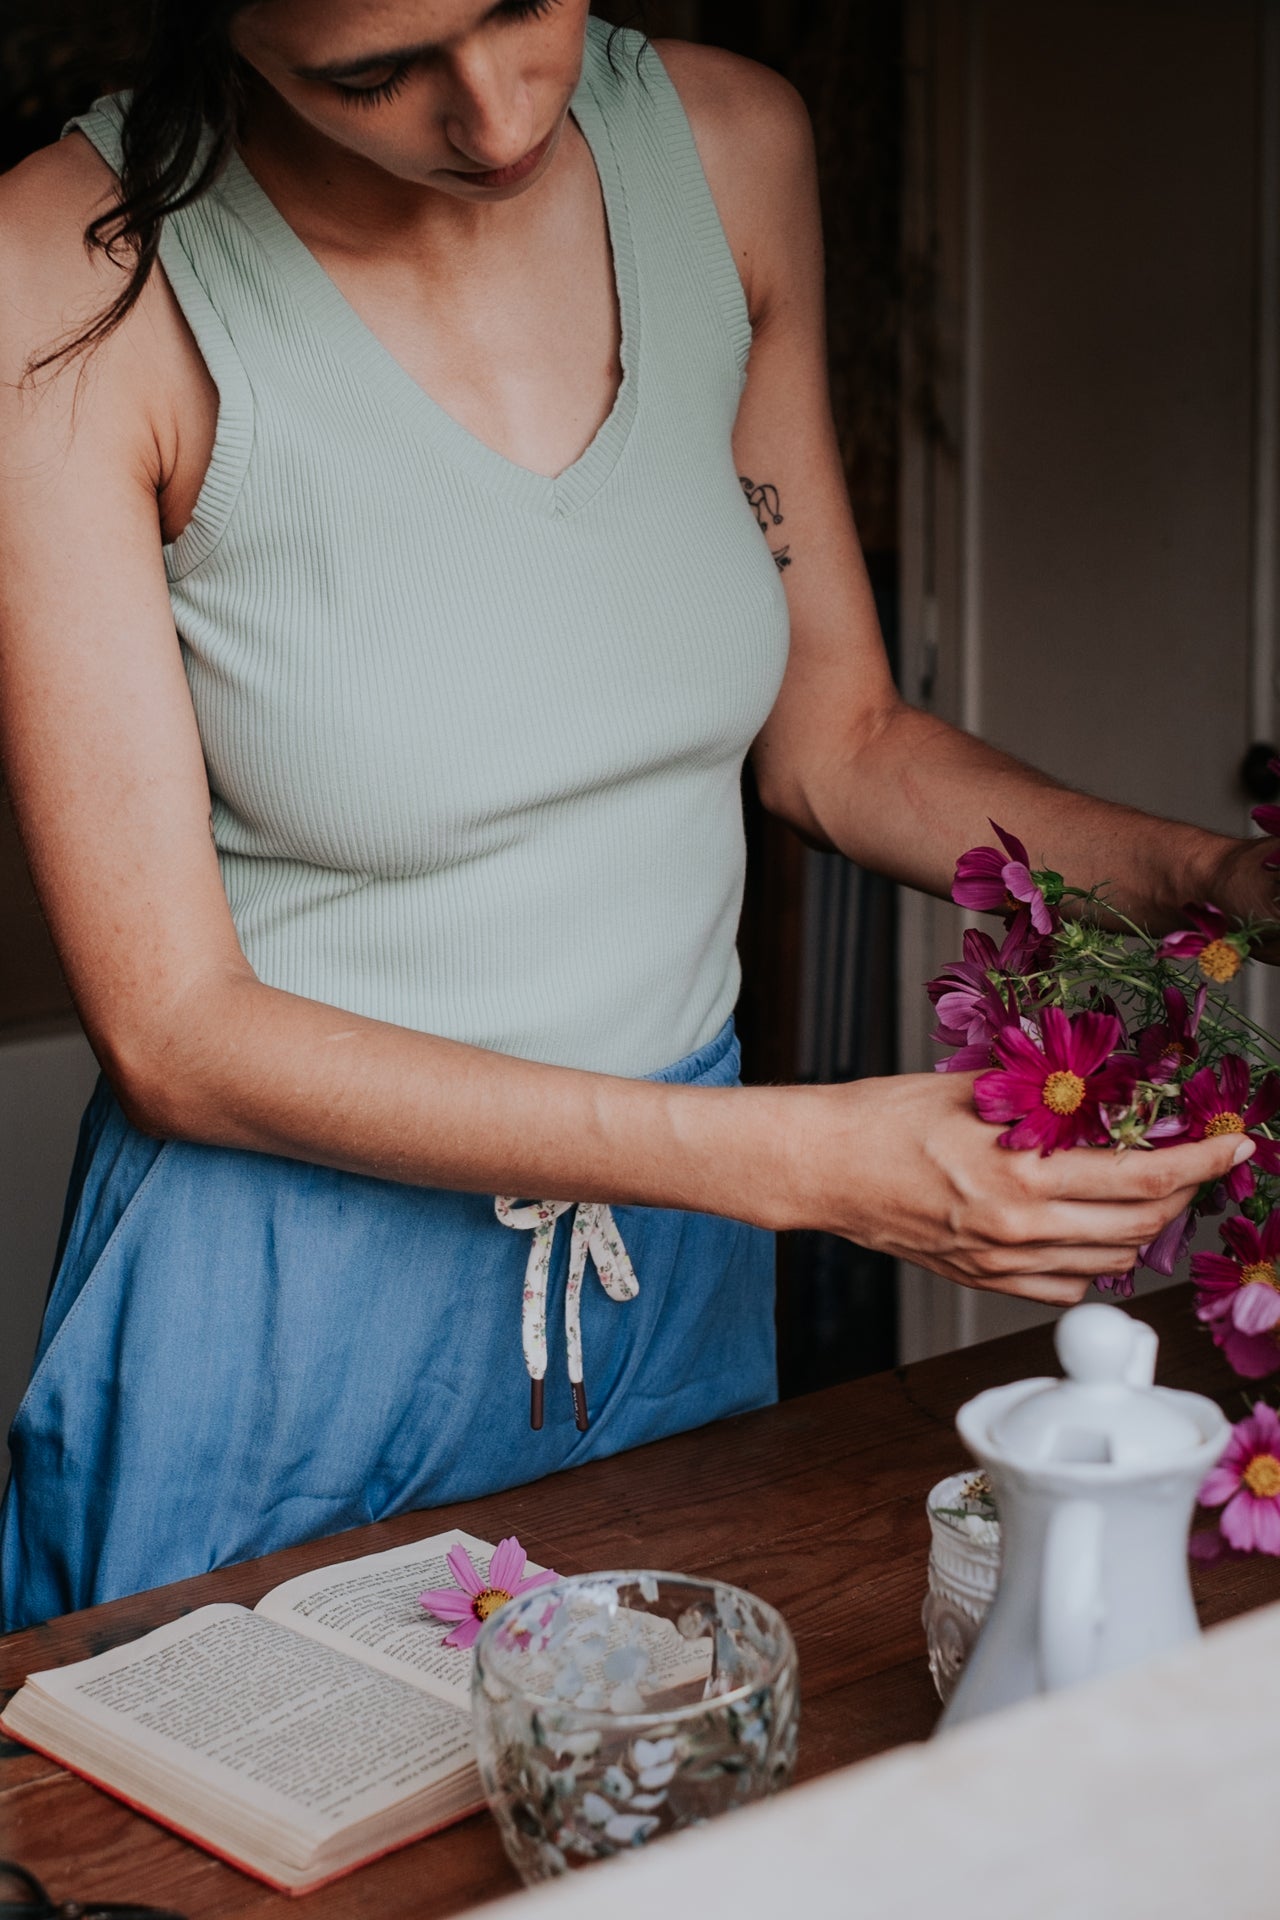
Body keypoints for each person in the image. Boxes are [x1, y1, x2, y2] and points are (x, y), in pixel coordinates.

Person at [0, 0, 1266, 1632]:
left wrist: (1211, 877)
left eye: (523, 5)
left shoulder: (728, 156)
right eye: (372, 73)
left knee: (666, 1832)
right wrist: (804, 1164)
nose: (502, 114)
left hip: (673, 1256)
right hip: (285, 1293)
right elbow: (176, 1033)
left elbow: (842, 738)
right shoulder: (70, 272)